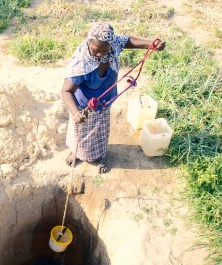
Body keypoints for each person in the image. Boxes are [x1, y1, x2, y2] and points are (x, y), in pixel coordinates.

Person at [62, 22, 166, 173]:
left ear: (111, 45)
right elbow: (66, 91)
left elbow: (126, 41)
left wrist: (150, 44)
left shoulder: (112, 46)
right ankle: (76, 152)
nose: (100, 55)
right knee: (79, 131)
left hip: (105, 101)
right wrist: (76, 112)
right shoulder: (80, 63)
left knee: (100, 131)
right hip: (83, 105)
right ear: (88, 42)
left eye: (105, 51)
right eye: (96, 50)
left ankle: (99, 156)